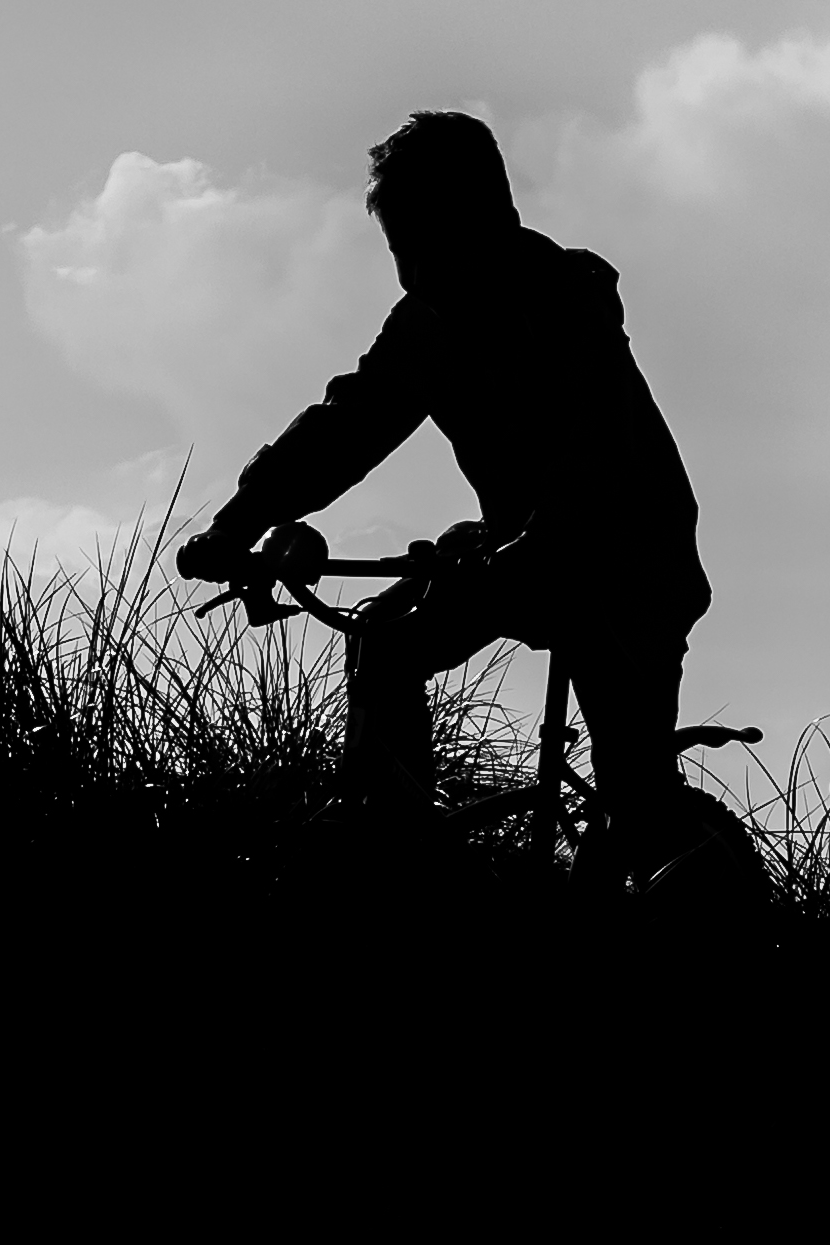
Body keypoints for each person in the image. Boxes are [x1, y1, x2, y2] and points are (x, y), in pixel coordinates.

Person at [173, 111, 711, 849]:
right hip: (516, 546)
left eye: (429, 244)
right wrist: (237, 523)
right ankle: (402, 858)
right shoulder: (428, 323)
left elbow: (595, 446)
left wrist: (538, 539)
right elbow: (349, 423)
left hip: (629, 559)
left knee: (634, 795)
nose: (416, 272)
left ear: (492, 219)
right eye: (401, 251)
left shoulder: (563, 298)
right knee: (383, 643)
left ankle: (684, 899)